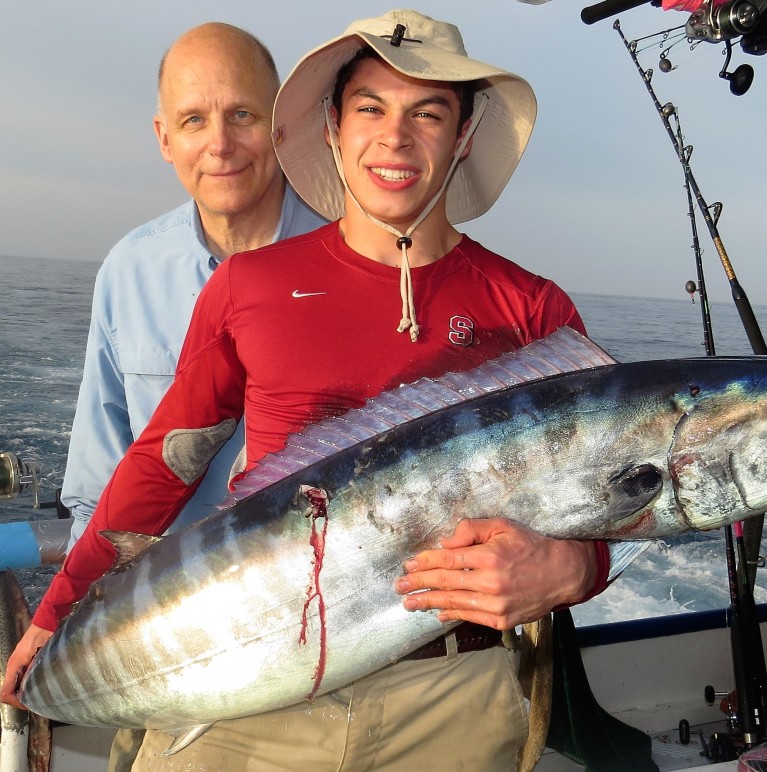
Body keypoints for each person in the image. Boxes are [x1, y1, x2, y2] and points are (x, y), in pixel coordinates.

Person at [3, 10, 613, 771]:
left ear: (462, 136)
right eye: (370, 109)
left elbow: (614, 483)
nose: (395, 138)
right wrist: (54, 619)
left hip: (454, 692)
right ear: (332, 125)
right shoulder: (248, 287)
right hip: (249, 686)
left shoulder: (534, 310)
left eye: (427, 113)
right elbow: (163, 465)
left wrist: (579, 569)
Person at [61, 21, 326, 552]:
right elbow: (99, 487)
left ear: (280, 125)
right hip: (174, 604)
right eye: (193, 121)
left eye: (242, 115)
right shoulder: (129, 270)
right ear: (164, 137)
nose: (220, 144)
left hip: (314, 594)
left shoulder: (351, 262)